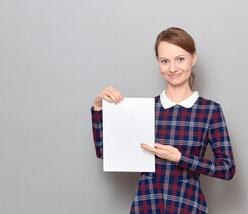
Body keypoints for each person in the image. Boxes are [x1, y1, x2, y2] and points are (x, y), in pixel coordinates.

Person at [91, 27, 235, 213]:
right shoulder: (143, 109)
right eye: (164, 61)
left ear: (193, 58)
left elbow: (227, 168)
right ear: (158, 62)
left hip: (188, 206)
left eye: (180, 59)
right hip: (146, 205)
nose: (172, 68)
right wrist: (98, 109)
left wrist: (181, 158)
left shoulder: (210, 111)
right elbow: (105, 153)